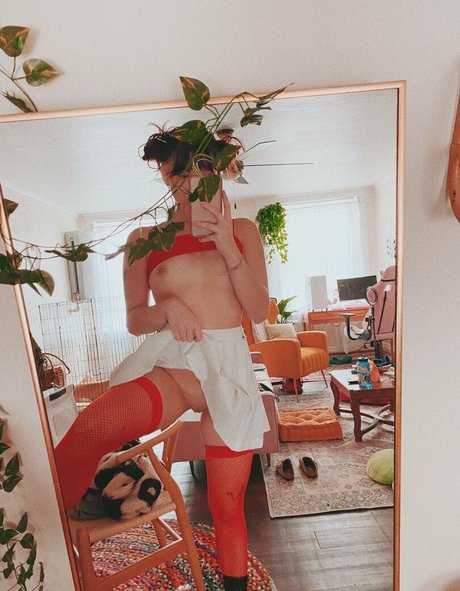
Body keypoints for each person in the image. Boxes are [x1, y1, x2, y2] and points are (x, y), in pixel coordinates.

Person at [54, 128, 270, 591]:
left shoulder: (243, 231)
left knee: (227, 505)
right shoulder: (144, 240)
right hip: (175, 366)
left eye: (207, 170)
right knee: (87, 431)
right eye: (184, 173)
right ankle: (53, 557)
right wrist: (168, 308)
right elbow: (136, 320)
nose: (198, 182)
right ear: (167, 177)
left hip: (230, 373)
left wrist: (228, 247)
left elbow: (258, 311)